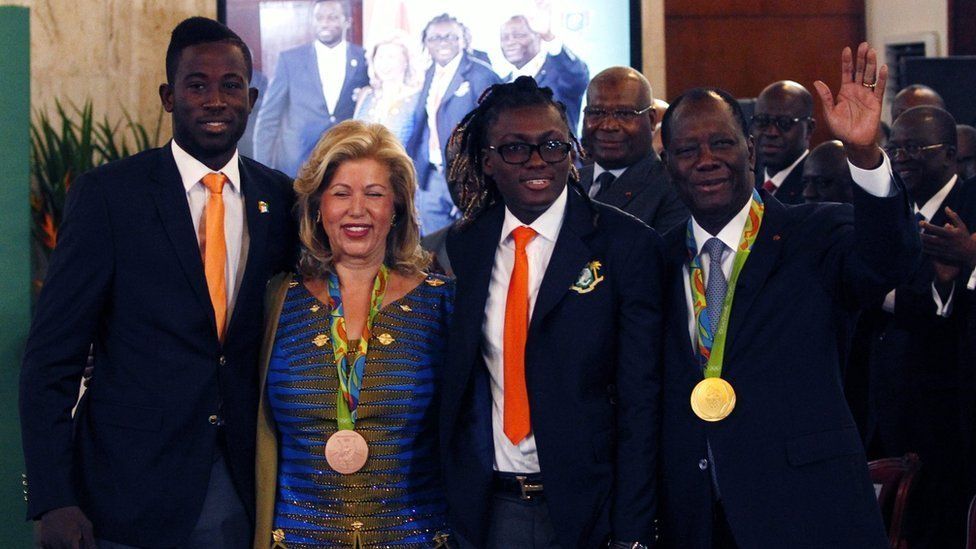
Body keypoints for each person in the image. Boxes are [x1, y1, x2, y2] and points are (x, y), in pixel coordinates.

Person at [20, 17, 297, 548]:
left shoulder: (280, 199)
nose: (215, 99)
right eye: (197, 85)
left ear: (253, 96)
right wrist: (54, 496)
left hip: (244, 494)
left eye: (231, 85)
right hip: (127, 494)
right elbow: (51, 359)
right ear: (170, 97)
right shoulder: (109, 197)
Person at [656, 43, 919, 547]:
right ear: (668, 164)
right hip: (694, 517)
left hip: (808, 510)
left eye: (722, 144)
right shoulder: (654, 258)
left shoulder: (815, 234)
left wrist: (864, 155)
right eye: (688, 150)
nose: (706, 160)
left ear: (750, 150)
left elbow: (890, 261)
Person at [441, 76, 663, 548]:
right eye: (516, 149)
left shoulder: (626, 246)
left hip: (591, 511)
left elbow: (641, 404)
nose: (538, 161)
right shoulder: (462, 247)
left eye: (552, 145)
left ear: (573, 152)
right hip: (487, 509)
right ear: (488, 161)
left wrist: (633, 533)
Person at [254, 120, 453, 547]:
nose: (357, 209)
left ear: (396, 205)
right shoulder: (274, 301)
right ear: (319, 206)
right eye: (341, 193)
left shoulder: (443, 304)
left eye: (375, 194)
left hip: (417, 540)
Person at [854, 105, 976, 548]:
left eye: (913, 148)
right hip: (884, 406)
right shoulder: (886, 209)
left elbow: (945, 305)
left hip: (950, 415)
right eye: (895, 147)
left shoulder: (970, 206)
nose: (901, 157)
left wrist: (880, 297)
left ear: (948, 155)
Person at [406, 13, 500, 236]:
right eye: (435, 38)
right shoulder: (428, 74)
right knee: (433, 244)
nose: (443, 43)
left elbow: (496, 127)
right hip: (433, 175)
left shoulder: (481, 74)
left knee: (473, 241)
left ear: (463, 40)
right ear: (426, 43)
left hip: (470, 175)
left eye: (450, 37)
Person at [254, 0, 369, 177]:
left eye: (332, 17)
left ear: (347, 21)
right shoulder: (290, 60)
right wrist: (261, 170)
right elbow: (268, 120)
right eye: (319, 17)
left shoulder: (363, 59)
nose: (325, 23)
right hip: (297, 164)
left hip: (345, 162)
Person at [580, 66, 688, 233]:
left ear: (651, 120)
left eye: (624, 114)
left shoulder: (675, 190)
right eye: (597, 113)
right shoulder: (572, 183)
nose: (608, 125)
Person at [498, 12, 589, 130]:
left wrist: (550, 38)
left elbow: (577, 75)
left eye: (519, 35)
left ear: (538, 36)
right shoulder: (501, 86)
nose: (510, 42)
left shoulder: (559, 74)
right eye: (504, 38)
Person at [751, 80, 816, 204]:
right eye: (762, 120)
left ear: (809, 128)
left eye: (784, 122)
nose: (771, 132)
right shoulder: (745, 185)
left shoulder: (817, 189)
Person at [353, 33, 422, 147]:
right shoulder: (366, 94)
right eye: (380, 57)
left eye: (391, 57)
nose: (384, 64)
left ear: (406, 61)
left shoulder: (417, 97)